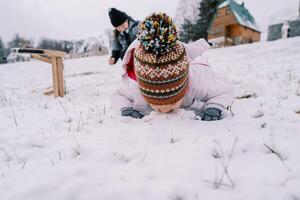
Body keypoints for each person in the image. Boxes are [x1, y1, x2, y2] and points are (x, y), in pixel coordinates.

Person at [111, 12, 234, 121]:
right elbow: (119, 95)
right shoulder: (134, 86)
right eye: (155, 104)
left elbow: (223, 89)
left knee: (198, 64)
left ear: (185, 87)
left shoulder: (196, 80)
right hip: (146, 64)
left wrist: (216, 106)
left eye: (173, 102)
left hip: (192, 63)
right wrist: (124, 108)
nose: (164, 110)